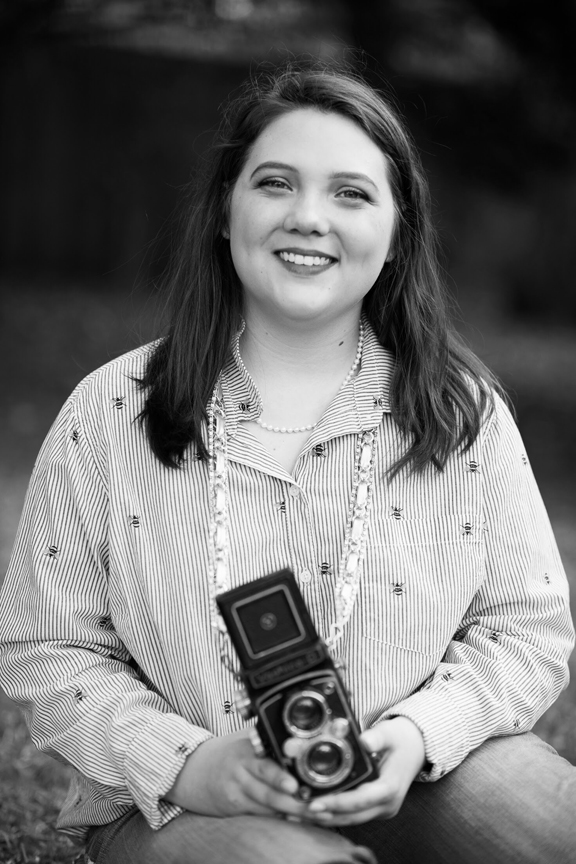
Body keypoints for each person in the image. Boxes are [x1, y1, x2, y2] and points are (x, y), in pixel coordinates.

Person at [0, 59, 575, 864]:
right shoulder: (110, 413)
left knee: (553, 827)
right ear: (224, 213)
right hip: (179, 804)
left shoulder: (462, 415)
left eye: (351, 193)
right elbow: (47, 646)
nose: (310, 217)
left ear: (399, 232)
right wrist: (189, 763)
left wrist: (417, 736)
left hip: (419, 773)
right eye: (276, 183)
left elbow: (526, 628)